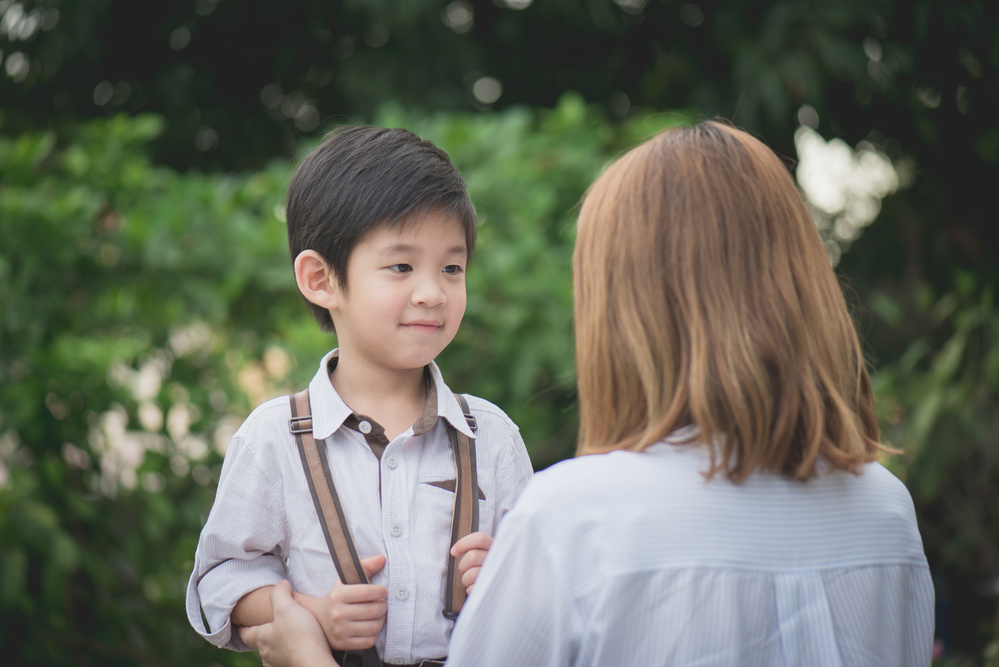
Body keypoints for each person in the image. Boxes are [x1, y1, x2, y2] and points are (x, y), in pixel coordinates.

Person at [241, 120, 935, 666]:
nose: (433, 290)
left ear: (625, 301)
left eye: (452, 267)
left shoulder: (575, 519)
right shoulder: (885, 514)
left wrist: (306, 656)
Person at [185, 125, 534, 667]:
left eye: (452, 267)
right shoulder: (274, 438)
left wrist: (507, 582)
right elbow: (220, 579)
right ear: (321, 279)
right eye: (401, 266)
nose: (432, 292)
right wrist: (311, 614)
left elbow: (543, 595)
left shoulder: (492, 436)